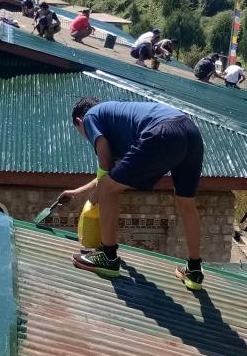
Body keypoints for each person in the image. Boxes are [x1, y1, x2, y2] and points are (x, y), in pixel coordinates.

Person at [60, 97, 206, 289]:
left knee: (107, 189)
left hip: (162, 132)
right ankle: (194, 270)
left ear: (79, 122)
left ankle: (107, 256)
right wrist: (78, 192)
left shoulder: (90, 118)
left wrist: (96, 196)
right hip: (190, 132)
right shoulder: (118, 119)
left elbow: (105, 166)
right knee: (186, 203)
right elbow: (114, 173)